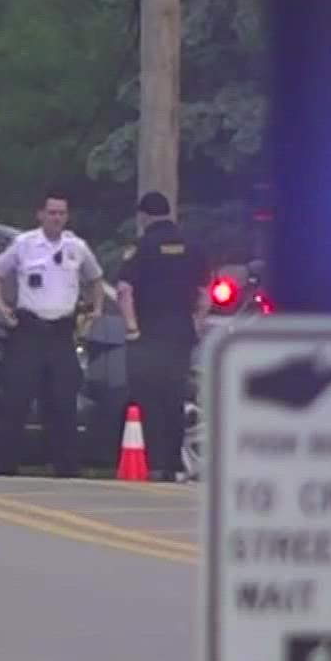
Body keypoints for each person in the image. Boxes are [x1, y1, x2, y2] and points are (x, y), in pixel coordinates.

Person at [0, 187, 104, 477]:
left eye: (61, 213)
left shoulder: (76, 247)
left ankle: (65, 466)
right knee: (17, 398)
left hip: (61, 333)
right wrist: (1, 306)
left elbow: (96, 278)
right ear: (40, 214)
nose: (56, 218)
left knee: (64, 400)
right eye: (51, 213)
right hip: (29, 331)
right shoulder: (24, 244)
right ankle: (5, 465)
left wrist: (96, 309)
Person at [115, 190, 212, 481]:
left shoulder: (141, 247)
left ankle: (154, 464)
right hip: (180, 336)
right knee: (174, 400)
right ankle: (174, 465)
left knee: (149, 400)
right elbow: (205, 294)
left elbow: (124, 290)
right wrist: (196, 323)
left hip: (149, 337)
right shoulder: (193, 247)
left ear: (144, 216)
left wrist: (132, 328)